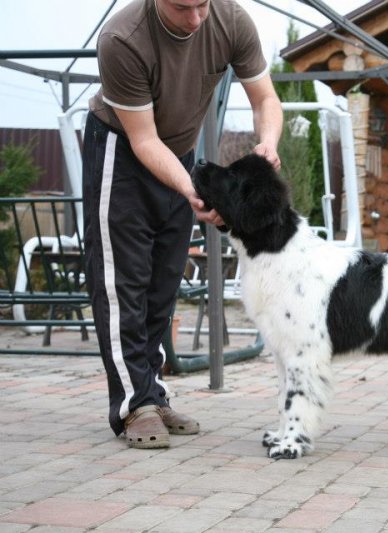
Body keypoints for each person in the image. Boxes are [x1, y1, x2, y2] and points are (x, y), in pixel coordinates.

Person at [83, 0, 283, 448]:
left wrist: (267, 142)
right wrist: (192, 191)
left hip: (179, 152)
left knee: (163, 283)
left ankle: (153, 391)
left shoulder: (230, 19)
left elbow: (265, 97)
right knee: (123, 284)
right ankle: (134, 405)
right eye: (181, 8)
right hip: (123, 152)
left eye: (201, 5)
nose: (194, 19)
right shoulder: (122, 39)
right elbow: (144, 138)